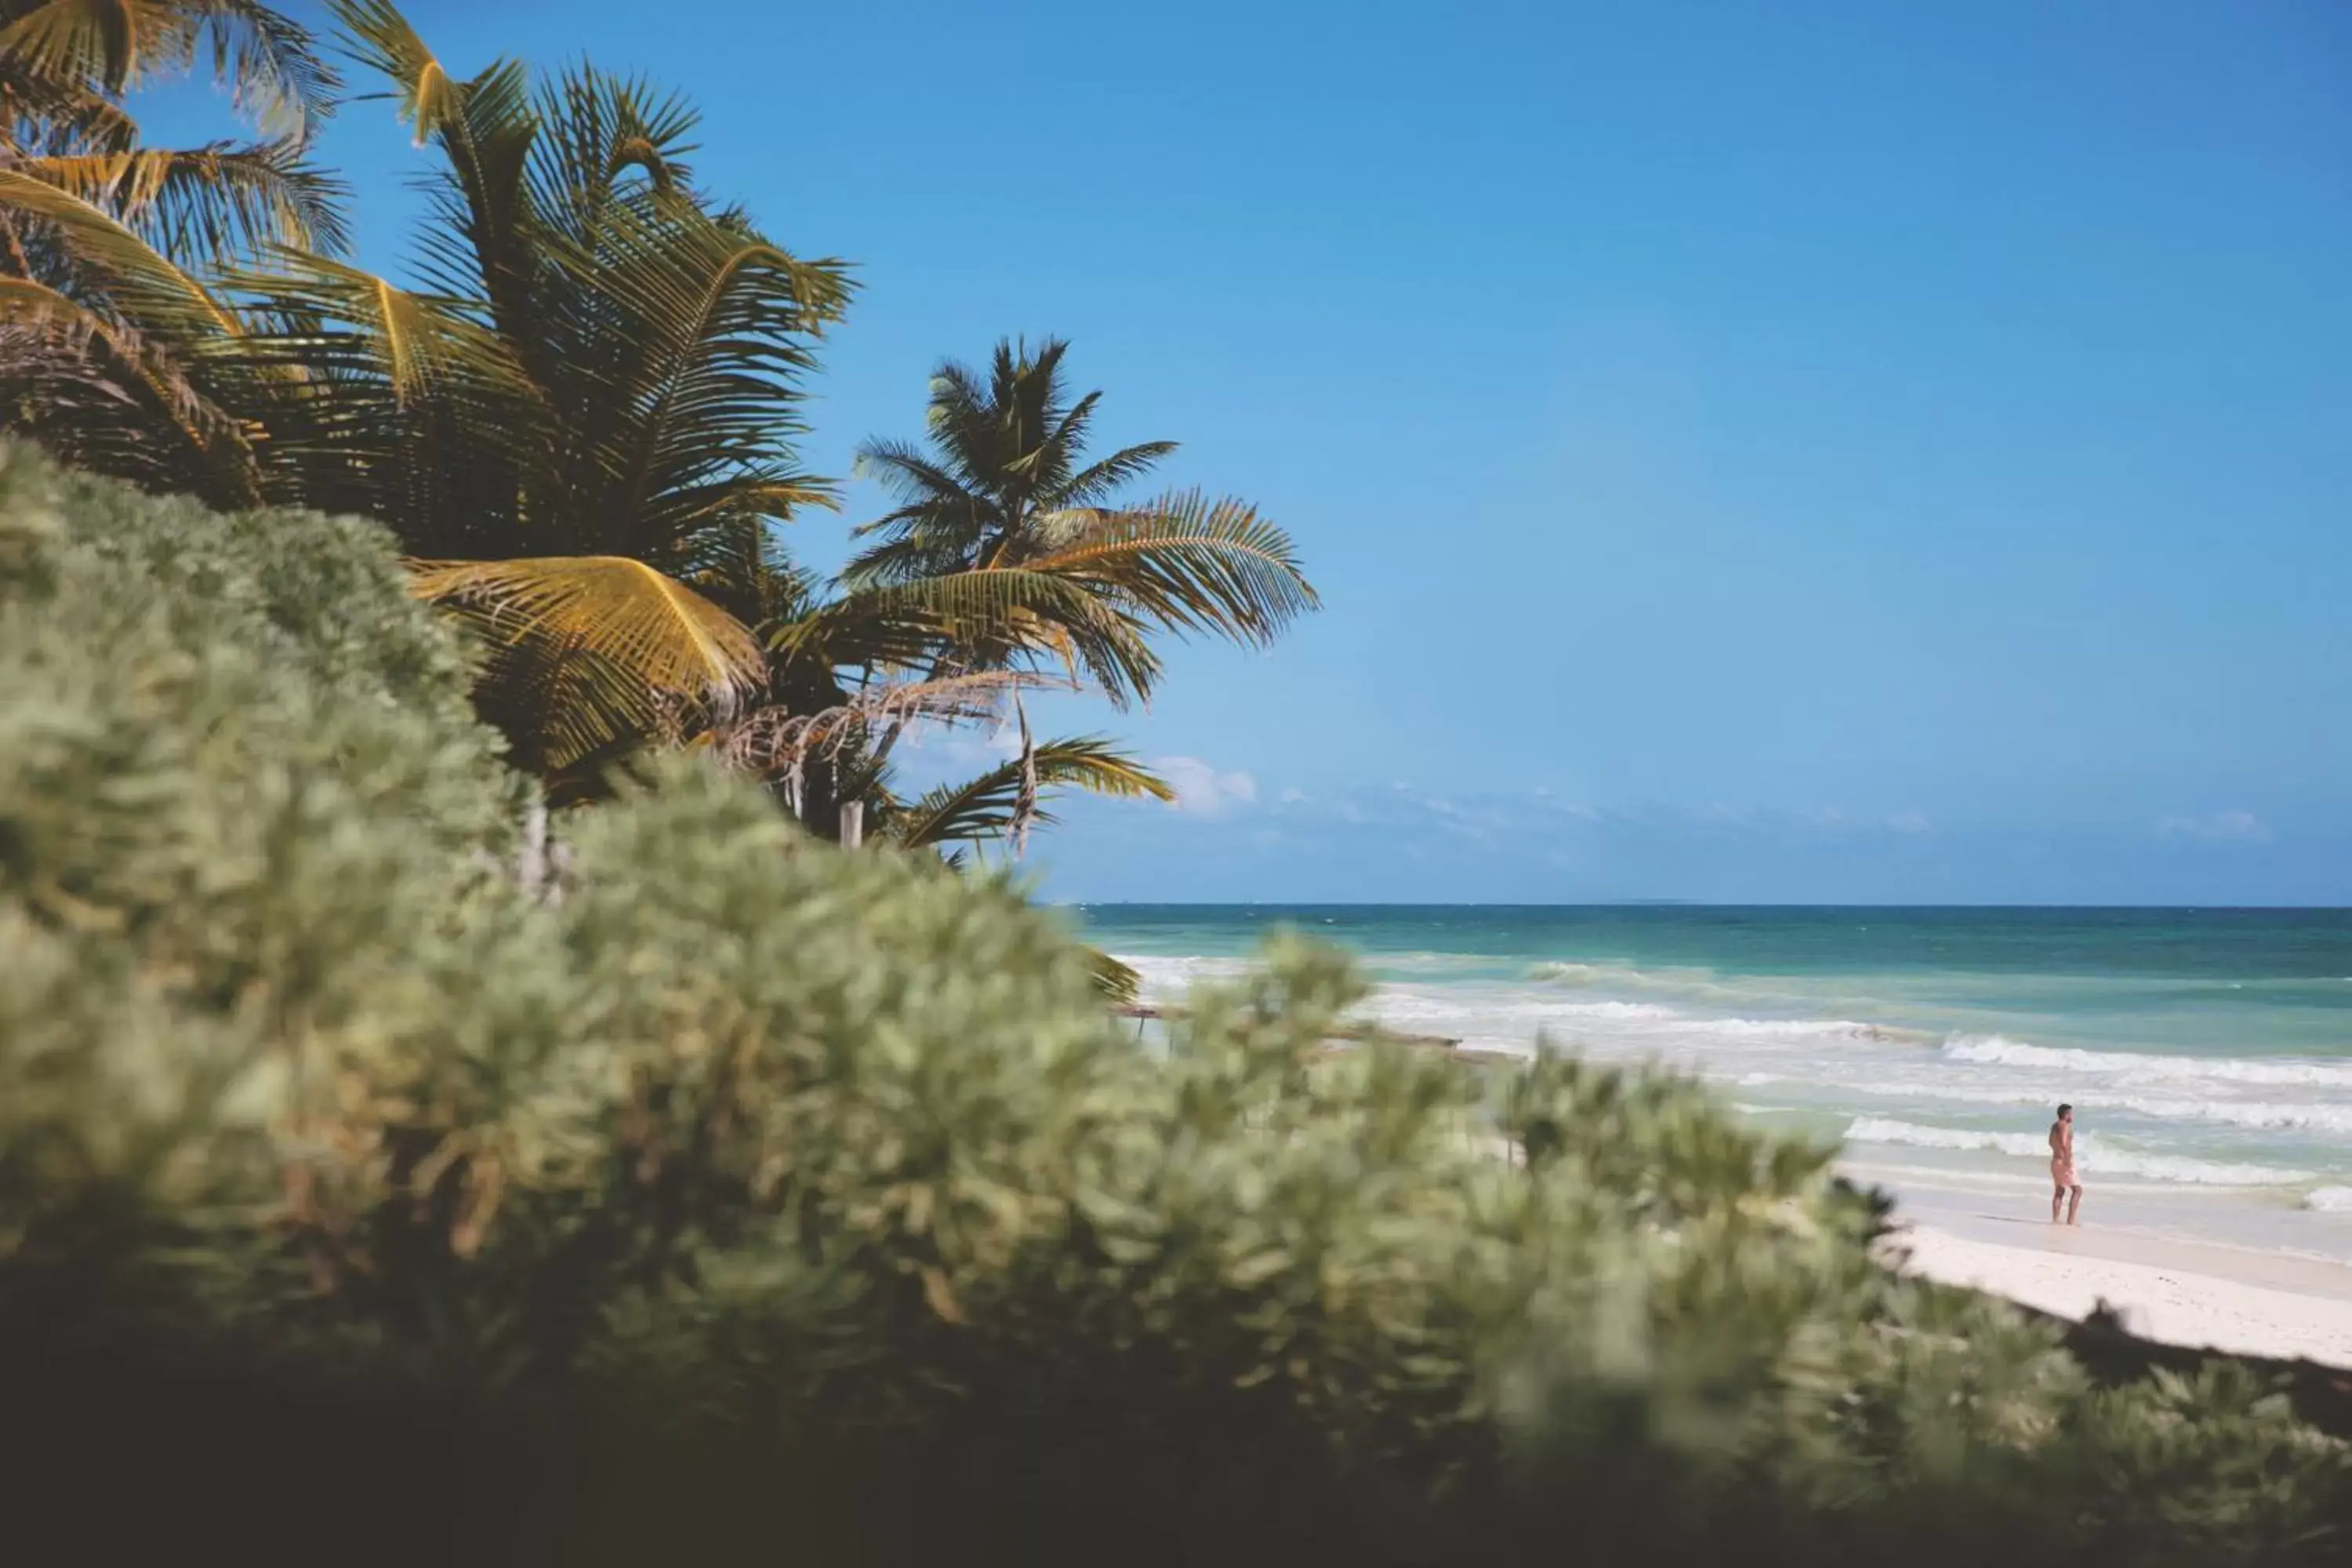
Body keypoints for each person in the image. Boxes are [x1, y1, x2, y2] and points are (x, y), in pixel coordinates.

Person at [2049, 1103, 2082, 1225]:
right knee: (2078, 1190)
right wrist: (2067, 1159)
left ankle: (2056, 1219)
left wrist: (2058, 1153)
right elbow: (2063, 1143)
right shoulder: (2065, 1126)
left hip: (2055, 1160)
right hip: (2064, 1161)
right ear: (2066, 1114)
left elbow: (2051, 1142)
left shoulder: (2054, 1126)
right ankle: (2071, 1220)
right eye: (2071, 1113)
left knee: (2059, 1190)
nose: (2072, 1116)